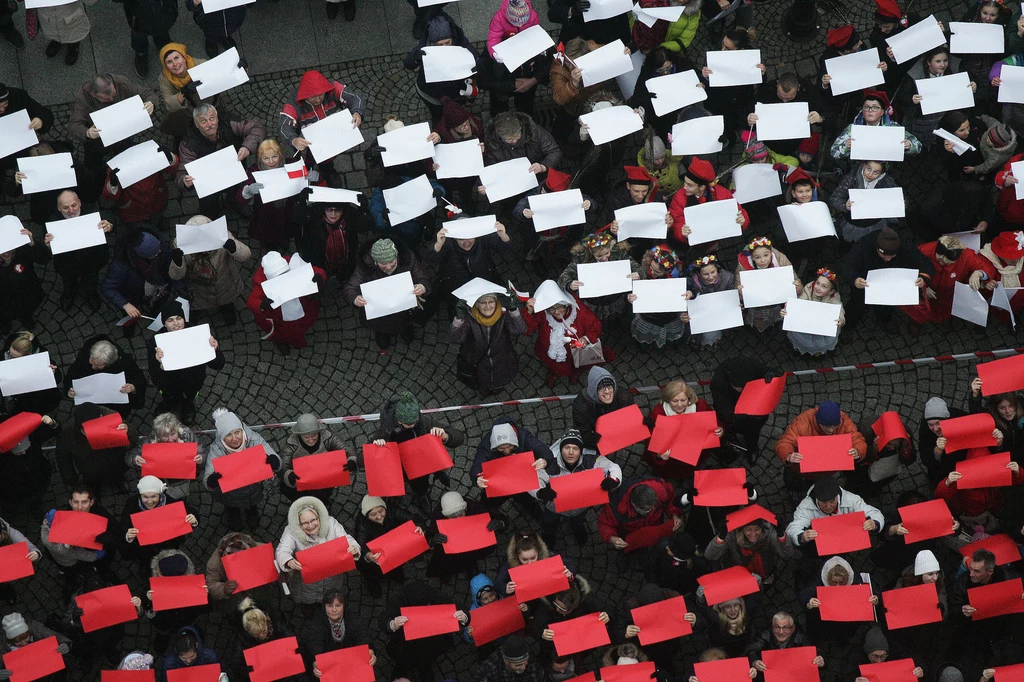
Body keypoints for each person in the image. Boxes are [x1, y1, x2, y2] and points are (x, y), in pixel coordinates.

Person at [371, 391, 465, 510]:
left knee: (421, 484)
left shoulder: (423, 422)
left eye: (414, 422)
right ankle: (394, 495)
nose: (412, 426)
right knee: (395, 483)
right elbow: (367, 452)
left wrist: (445, 436)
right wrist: (377, 445)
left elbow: (459, 437)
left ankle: (422, 494)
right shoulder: (386, 428)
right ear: (399, 420)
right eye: (408, 423)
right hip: (396, 467)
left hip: (419, 466)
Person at [534, 428, 622, 546]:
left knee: (578, 520)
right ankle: (549, 534)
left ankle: (577, 528)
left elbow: (612, 467)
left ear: (580, 450)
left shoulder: (590, 460)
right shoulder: (550, 462)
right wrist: (540, 492)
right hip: (553, 507)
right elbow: (536, 479)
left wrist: (614, 479)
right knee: (549, 522)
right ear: (561, 449)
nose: (571, 452)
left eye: (575, 448)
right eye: (567, 448)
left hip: (579, 507)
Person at [342, 237, 431, 352]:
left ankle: (403, 328)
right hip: (379, 315)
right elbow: (350, 288)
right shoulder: (365, 267)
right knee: (381, 325)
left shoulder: (409, 259)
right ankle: (382, 333)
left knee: (404, 321)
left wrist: (422, 287)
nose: (388, 267)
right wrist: (355, 299)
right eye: (383, 263)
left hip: (403, 310)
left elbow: (423, 278)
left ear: (397, 256)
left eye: (391, 261)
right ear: (375, 261)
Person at [177, 104, 266, 217]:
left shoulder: (229, 123)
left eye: (212, 118)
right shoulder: (188, 143)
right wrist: (184, 181)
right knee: (209, 208)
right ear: (196, 124)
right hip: (209, 184)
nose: (209, 124)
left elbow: (257, 128)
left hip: (234, 173)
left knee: (236, 192)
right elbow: (182, 172)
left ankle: (237, 203)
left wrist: (247, 147)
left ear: (217, 118)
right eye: (203, 121)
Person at [838, 227, 935, 330]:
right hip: (865, 284)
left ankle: (884, 320)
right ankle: (848, 327)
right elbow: (846, 264)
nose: (888, 259)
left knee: (886, 307)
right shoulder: (864, 244)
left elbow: (926, 264)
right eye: (884, 255)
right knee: (856, 306)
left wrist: (923, 278)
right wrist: (855, 279)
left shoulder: (906, 245)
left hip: (891, 287)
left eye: (892, 256)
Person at [68, 75, 157, 187]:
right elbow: (73, 125)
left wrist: (151, 102)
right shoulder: (83, 98)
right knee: (92, 163)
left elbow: (148, 93)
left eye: (113, 95)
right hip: (98, 139)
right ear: (93, 95)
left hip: (123, 132)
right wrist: (87, 132)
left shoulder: (122, 83)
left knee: (126, 154)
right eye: (105, 99)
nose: (111, 100)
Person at [276, 496, 361, 612]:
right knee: (308, 609)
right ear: (298, 524)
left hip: (331, 582)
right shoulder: (291, 531)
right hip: (305, 587)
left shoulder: (331, 523)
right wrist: (288, 561)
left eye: (313, 520)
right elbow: (282, 551)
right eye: (305, 523)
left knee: (330, 603)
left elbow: (346, 539)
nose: (311, 526)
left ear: (319, 517)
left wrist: (354, 548)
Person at [203, 407, 281, 531]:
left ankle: (251, 511)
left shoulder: (254, 440)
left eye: (237, 432)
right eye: (228, 435)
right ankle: (233, 513)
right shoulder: (215, 450)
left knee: (252, 504)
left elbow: (275, 459)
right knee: (232, 507)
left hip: (254, 489)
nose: (234, 438)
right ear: (222, 438)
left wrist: (274, 462)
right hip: (230, 495)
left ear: (242, 430)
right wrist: (211, 481)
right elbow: (208, 481)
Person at [146, 300, 224, 423]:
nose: (176, 324)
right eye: (170, 320)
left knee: (189, 395)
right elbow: (154, 373)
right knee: (169, 395)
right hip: (169, 382)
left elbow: (218, 365)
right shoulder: (156, 341)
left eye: (179, 318)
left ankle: (188, 406)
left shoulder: (197, 333)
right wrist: (158, 362)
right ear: (164, 323)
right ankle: (169, 403)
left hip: (193, 380)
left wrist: (215, 350)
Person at [101, 229, 189, 337]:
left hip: (159, 289)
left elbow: (171, 269)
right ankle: (129, 325)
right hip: (133, 295)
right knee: (132, 313)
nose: (160, 252)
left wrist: (181, 287)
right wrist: (125, 304)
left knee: (160, 307)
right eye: (155, 253)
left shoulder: (161, 247)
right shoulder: (120, 266)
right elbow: (108, 288)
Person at [40, 483, 118, 601]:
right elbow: (51, 543)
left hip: (97, 555)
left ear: (91, 502)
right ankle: (71, 583)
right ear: (70, 502)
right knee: (72, 573)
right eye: (76, 502)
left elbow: (116, 531)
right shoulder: (62, 517)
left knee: (101, 569)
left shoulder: (101, 514)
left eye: (84, 502)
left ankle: (104, 574)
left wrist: (107, 538)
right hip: (73, 560)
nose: (80, 507)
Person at [170, 215, 252, 327]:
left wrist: (234, 248)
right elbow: (176, 276)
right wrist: (178, 262)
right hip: (198, 287)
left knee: (226, 299)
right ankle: (196, 311)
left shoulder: (223, 236)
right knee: (197, 303)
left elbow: (246, 256)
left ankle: (226, 307)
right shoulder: (180, 244)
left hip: (224, 282)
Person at [280, 70, 366, 175]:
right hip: (308, 147)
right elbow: (284, 127)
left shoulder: (333, 88)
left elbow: (356, 98)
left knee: (327, 165)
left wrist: (357, 112)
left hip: (333, 137)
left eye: (321, 95)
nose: (318, 100)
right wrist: (293, 140)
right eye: (313, 97)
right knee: (307, 164)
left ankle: (328, 171)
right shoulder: (293, 105)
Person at [381, 581, 468, 682]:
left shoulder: (438, 599)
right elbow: (384, 618)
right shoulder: (399, 601)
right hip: (404, 644)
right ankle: (402, 668)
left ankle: (424, 668)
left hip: (431, 644)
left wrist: (463, 617)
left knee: (426, 659)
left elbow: (460, 609)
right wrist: (393, 624)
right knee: (403, 660)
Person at [524, 284, 607, 387]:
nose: (556, 312)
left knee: (576, 366)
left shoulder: (581, 313)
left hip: (575, 353)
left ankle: (574, 374)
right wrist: (529, 312)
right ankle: (553, 374)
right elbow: (527, 330)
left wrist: (585, 338)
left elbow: (595, 328)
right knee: (552, 365)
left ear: (566, 304)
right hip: (550, 351)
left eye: (559, 307)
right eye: (552, 309)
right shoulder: (544, 314)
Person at [404, 15, 481, 123]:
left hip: (456, 91)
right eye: (440, 44)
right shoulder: (424, 46)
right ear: (432, 42)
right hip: (432, 93)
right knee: (438, 114)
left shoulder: (460, 40)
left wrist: (476, 63)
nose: (445, 47)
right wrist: (415, 58)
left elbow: (474, 55)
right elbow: (408, 64)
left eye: (448, 42)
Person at [42, 190, 112, 310]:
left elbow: (108, 230)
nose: (71, 210)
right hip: (67, 263)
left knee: (91, 280)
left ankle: (91, 294)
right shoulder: (52, 221)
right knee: (69, 282)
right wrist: (48, 245)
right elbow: (47, 246)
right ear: (59, 208)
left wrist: (109, 227)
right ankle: (69, 294)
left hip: (92, 260)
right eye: (65, 208)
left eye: (74, 205)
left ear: (79, 202)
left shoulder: (93, 212)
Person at [775, 400, 869, 489]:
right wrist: (788, 456)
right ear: (818, 421)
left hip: (828, 472)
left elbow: (858, 440)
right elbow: (785, 442)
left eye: (835, 426)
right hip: (801, 471)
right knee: (793, 483)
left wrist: (858, 451)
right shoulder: (802, 424)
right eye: (826, 426)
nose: (831, 430)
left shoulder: (844, 422)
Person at [903, 236, 996, 325]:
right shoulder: (924, 250)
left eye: (946, 263)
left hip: (949, 295)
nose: (941, 263)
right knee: (918, 312)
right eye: (939, 260)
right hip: (923, 293)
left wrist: (978, 273)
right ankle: (915, 322)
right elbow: (906, 269)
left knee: (946, 311)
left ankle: (944, 320)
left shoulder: (966, 255)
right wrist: (923, 286)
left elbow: (987, 266)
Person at [247, 251, 327, 353]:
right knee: (283, 334)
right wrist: (262, 304)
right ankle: (282, 342)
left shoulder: (294, 266)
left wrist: (319, 276)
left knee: (300, 327)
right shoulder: (262, 284)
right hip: (280, 320)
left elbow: (316, 271)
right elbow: (252, 302)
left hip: (303, 307)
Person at [120, 476, 198, 578]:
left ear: (160, 494)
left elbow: (190, 513)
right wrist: (128, 535)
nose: (149, 501)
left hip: (168, 545)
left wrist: (193, 520)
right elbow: (124, 525)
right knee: (145, 561)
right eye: (145, 497)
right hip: (144, 549)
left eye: (153, 497)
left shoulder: (171, 503)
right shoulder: (131, 504)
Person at [450, 291, 527, 394]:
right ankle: (484, 389)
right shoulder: (469, 317)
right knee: (482, 381)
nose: (488, 306)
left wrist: (514, 310)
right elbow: (455, 339)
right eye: (482, 302)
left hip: (502, 359)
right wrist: (459, 319)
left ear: (496, 302)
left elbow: (520, 330)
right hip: (477, 362)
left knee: (499, 380)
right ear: (476, 304)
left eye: (491, 301)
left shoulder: (503, 315)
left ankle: (496, 388)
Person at [643, 380, 721, 479]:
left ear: (689, 398)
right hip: (672, 461)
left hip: (695, 453)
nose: (680, 405)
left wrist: (720, 429)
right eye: (675, 401)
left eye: (683, 400)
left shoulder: (700, 406)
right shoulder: (658, 414)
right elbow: (650, 439)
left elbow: (713, 422)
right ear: (667, 400)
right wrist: (658, 456)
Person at [481, 0, 547, 117]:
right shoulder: (499, 18)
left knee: (525, 104)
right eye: (516, 23)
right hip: (506, 64)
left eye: (522, 23)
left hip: (525, 63)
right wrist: (494, 53)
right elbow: (493, 38)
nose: (520, 26)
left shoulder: (532, 16)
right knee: (499, 104)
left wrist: (540, 45)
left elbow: (536, 33)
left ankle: (524, 114)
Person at [901, 46, 977, 148]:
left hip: (948, 117)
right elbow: (903, 96)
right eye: (938, 61)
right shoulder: (914, 74)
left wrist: (973, 84)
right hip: (923, 120)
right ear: (929, 62)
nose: (943, 65)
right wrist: (912, 99)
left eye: (945, 60)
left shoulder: (955, 67)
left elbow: (971, 78)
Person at [668, 159, 750, 251]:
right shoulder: (679, 197)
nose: (684, 187)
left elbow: (740, 212)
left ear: (702, 187)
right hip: (692, 246)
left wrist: (742, 220)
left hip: (720, 242)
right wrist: (682, 233)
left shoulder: (722, 194)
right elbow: (676, 223)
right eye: (685, 182)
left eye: (689, 185)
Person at [559, 231, 640, 322]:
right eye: (599, 256)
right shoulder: (581, 258)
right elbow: (564, 276)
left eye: (607, 253)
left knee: (615, 318)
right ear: (590, 251)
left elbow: (637, 268)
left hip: (615, 299)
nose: (604, 258)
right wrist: (570, 284)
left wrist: (638, 274)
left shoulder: (618, 253)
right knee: (593, 319)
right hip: (592, 302)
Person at [55, 403, 133, 497]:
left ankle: (119, 481)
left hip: (115, 462)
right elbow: (64, 460)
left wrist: (128, 432)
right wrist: (72, 481)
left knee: (117, 474)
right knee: (92, 484)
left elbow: (134, 439)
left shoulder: (111, 417)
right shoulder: (67, 434)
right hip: (90, 470)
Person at [784, 478, 884, 551]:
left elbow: (874, 513)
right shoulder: (805, 506)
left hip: (844, 542)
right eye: (824, 502)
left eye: (832, 501)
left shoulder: (852, 499)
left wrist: (874, 523)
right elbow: (793, 528)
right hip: (817, 546)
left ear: (837, 497)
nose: (828, 506)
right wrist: (802, 536)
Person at [237, 139, 301, 253]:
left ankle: (284, 239)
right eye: (266, 158)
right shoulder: (254, 171)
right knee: (267, 230)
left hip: (286, 208)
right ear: (260, 158)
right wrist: (248, 190)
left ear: (280, 155)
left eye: (274, 157)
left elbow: (301, 175)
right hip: (265, 211)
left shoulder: (289, 164)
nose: (271, 162)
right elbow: (239, 197)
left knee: (286, 226)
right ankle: (270, 244)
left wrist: (308, 177)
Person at [353, 496, 422, 598]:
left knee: (396, 567)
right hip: (374, 561)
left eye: (381, 511)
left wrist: (418, 526)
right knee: (371, 574)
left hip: (393, 551)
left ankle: (394, 574)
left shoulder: (392, 511)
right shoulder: (362, 524)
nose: (379, 516)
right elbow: (360, 544)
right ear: (366, 515)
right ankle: (373, 585)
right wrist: (368, 555)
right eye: (373, 514)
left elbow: (413, 518)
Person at [597, 477, 684, 557]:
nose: (653, 509)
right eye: (648, 509)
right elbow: (604, 524)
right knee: (628, 550)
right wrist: (612, 538)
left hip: (654, 528)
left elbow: (671, 499)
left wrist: (674, 514)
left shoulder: (660, 489)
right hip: (630, 536)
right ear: (634, 505)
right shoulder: (614, 508)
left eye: (654, 506)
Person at [279, 413, 354, 505]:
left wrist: (351, 460)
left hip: (324, 481)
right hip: (301, 485)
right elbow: (283, 465)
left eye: (314, 435)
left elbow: (347, 450)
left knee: (323, 498)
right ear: (299, 435)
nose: (311, 440)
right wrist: (288, 475)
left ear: (319, 432)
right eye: (306, 437)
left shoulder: (328, 438)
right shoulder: (291, 445)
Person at [128, 412, 205, 501]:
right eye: (165, 436)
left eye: (173, 434)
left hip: (181, 482)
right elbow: (130, 456)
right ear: (158, 436)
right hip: (160, 482)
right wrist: (135, 459)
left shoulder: (187, 435)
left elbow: (203, 451)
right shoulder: (151, 441)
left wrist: (201, 458)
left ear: (176, 429)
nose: (170, 440)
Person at [746, 73, 825, 158]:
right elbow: (748, 111)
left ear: (798, 88)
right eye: (781, 96)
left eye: (789, 98)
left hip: (798, 142)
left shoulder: (809, 91)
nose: (784, 101)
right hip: (769, 142)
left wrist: (820, 118)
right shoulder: (766, 90)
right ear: (777, 85)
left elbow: (827, 113)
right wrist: (749, 118)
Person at [102, 147, 178, 233]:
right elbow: (109, 195)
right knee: (137, 227)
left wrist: (168, 157)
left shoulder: (151, 159)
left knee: (158, 214)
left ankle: (157, 222)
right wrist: (113, 183)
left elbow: (172, 169)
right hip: (132, 210)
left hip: (157, 200)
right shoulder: (116, 169)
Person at [830, 90, 921, 160]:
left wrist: (909, 146)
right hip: (858, 170)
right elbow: (834, 152)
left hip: (885, 170)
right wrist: (846, 146)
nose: (870, 110)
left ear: (882, 112)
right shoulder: (853, 129)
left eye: (875, 107)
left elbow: (918, 146)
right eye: (866, 107)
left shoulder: (892, 128)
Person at [735, 236, 801, 333]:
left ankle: (774, 323)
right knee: (758, 320)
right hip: (756, 305)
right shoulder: (743, 267)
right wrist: (740, 292)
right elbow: (737, 285)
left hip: (776, 302)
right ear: (752, 257)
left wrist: (797, 287)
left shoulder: (781, 260)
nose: (763, 260)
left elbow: (794, 279)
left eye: (766, 255)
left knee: (775, 316)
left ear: (771, 253)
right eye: (757, 257)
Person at [829, 161, 901, 245]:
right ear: (864, 165)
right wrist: (845, 205)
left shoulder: (887, 182)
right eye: (868, 169)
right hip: (851, 224)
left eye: (876, 172)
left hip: (875, 225)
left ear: (882, 173)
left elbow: (902, 202)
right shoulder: (852, 179)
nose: (870, 174)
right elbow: (834, 198)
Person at [705, 517, 795, 584]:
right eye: (748, 529)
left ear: (762, 529)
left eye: (757, 529)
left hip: (765, 576)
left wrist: (781, 535)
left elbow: (787, 554)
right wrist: (721, 538)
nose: (753, 534)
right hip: (737, 578)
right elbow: (710, 555)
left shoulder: (770, 534)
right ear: (743, 529)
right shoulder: (732, 535)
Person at [157, 43, 218, 139]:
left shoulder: (201, 64)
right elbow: (169, 105)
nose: (175, 64)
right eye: (169, 62)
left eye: (177, 58)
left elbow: (223, 76)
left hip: (211, 104)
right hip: (188, 113)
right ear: (166, 66)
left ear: (184, 57)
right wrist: (183, 93)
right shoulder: (164, 79)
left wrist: (240, 68)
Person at [297, 198, 363, 284]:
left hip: (345, 263)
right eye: (329, 210)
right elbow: (299, 219)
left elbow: (363, 227)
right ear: (323, 211)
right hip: (322, 265)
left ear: (343, 211)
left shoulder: (349, 223)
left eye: (337, 210)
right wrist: (301, 204)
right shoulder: (314, 225)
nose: (333, 214)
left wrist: (363, 209)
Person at [784, 268, 845, 356]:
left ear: (831, 291)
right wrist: (793, 307)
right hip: (806, 323)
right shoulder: (809, 288)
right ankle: (801, 350)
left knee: (820, 344)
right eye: (817, 283)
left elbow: (839, 309)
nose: (818, 288)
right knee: (802, 340)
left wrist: (840, 319)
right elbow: (801, 299)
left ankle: (818, 353)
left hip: (822, 328)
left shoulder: (834, 297)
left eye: (824, 286)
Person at [681, 255, 738, 348]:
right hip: (700, 317)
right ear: (699, 273)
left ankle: (712, 342)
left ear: (717, 269)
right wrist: (682, 314)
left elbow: (732, 295)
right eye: (706, 274)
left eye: (713, 272)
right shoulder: (691, 283)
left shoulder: (728, 277)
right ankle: (695, 340)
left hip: (719, 314)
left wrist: (736, 303)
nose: (711, 277)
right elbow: (685, 301)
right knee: (697, 333)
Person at [571, 367, 635, 449]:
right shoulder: (580, 406)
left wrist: (641, 422)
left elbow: (631, 416)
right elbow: (582, 430)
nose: (607, 391)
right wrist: (589, 439)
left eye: (609, 386)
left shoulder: (624, 396)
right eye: (601, 388)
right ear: (594, 390)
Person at [304, 592, 374, 666]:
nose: (334, 610)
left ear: (344, 607)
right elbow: (314, 644)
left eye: (338, 605)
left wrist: (368, 650)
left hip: (351, 658)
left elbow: (363, 637)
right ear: (324, 607)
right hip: (329, 660)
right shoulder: (317, 623)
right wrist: (317, 661)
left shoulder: (354, 619)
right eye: (330, 606)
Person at [114, 0, 177, 77]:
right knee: (139, 36)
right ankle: (141, 53)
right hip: (139, 17)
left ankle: (163, 43)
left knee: (162, 29)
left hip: (164, 11)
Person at [0, 226, 44, 332]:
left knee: (26, 309)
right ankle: (5, 323)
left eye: (9, 249)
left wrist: (33, 244)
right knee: (3, 313)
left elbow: (43, 258)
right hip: (2, 297)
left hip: (26, 291)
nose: (6, 253)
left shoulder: (23, 249)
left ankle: (26, 318)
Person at [205, 531, 266, 606]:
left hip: (260, 591)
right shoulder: (214, 565)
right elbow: (211, 585)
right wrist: (223, 589)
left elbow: (274, 566)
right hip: (236, 599)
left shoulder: (262, 549)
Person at [35, 0, 96, 65]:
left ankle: (73, 47)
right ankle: (56, 41)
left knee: (74, 35)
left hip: (71, 18)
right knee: (53, 32)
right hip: (48, 18)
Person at [473, 634, 544, 682]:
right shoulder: (489, 667)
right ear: (506, 661)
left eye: (525, 662)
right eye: (518, 665)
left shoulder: (530, 662)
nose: (523, 667)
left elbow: (532, 677)